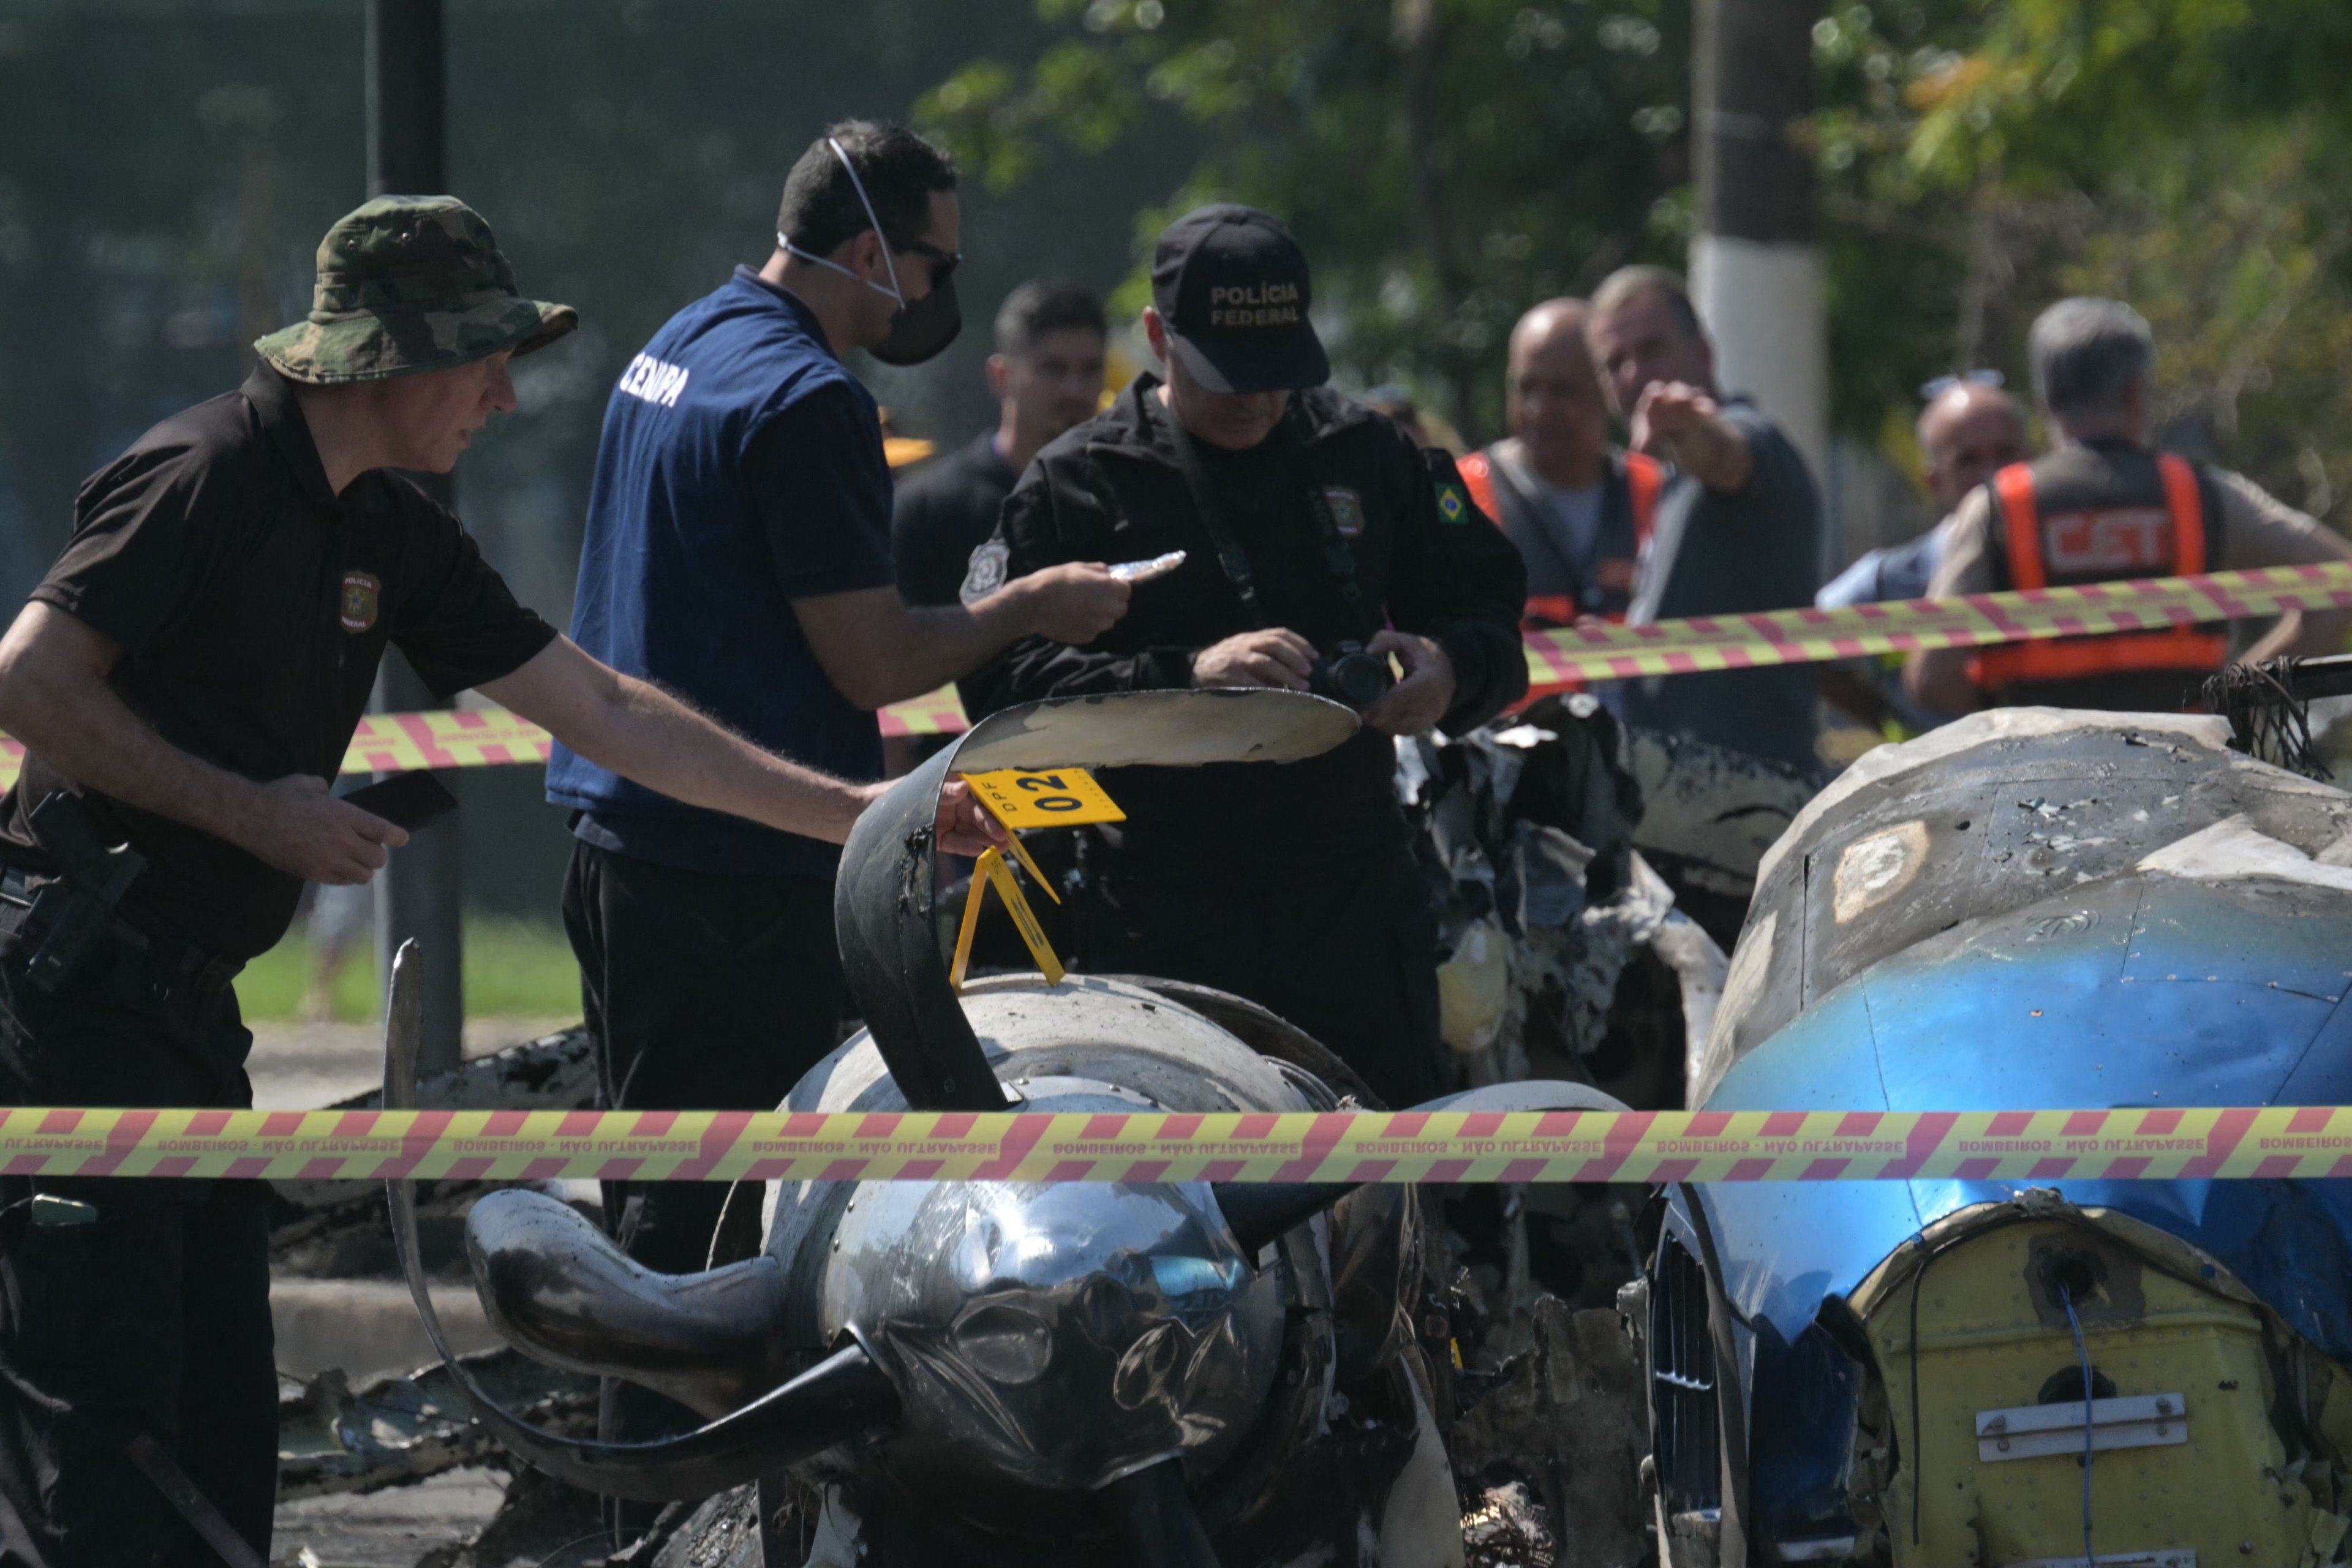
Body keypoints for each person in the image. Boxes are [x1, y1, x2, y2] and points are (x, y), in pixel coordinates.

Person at [0, 195, 996, 1568]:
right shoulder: (203, 472)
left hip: (179, 1010)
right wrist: (259, 814)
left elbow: (608, 711)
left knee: (216, 1427)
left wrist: (873, 816)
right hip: (66, 1008)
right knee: (103, 1446)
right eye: (482, 360)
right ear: (395, 359)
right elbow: (29, 678)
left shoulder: (389, 531)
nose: (504, 393)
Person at [543, 121, 1130, 1482]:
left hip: (623, 849)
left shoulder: (679, 339)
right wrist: (1029, 605)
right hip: (732, 877)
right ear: (872, 253)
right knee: (730, 1243)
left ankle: (656, 1507)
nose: (934, 295)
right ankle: (688, 1514)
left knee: (659, 1223)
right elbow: (870, 656)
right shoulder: (812, 401)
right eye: (933, 265)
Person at [963, 204, 1528, 1109]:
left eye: (1276, 373)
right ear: (1156, 337)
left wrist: (1448, 667)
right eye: (1225, 373)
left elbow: (1493, 609)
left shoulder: (1369, 452)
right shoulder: (1075, 487)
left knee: (1383, 1212)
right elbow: (998, 690)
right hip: (1164, 917)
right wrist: (1187, 678)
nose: (1254, 400)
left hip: (1354, 909)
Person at [1907, 297, 2352, 714]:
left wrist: (2006, 725)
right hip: (2185, 777)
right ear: (2137, 392)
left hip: (2037, 784)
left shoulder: (2000, 505)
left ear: (2045, 399)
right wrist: (2233, 699)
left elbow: (1932, 676)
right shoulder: (2203, 495)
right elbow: (2341, 581)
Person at [1586, 266, 1823, 771]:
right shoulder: (1662, 489)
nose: (1633, 374)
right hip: (1685, 803)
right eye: (1615, 363)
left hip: (1755, 800)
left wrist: (1688, 433)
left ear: (1704, 352)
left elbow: (1726, 458)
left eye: (1652, 349)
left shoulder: (1757, 441)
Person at [891, 280, 1108, 609]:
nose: (1074, 391)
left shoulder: (1120, 502)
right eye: (1053, 369)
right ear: (1001, 376)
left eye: (1090, 370)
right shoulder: (930, 512)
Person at [1461, 298, 1662, 628]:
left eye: (1562, 391)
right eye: (1526, 388)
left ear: (1607, 391)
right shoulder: (1458, 493)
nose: (1538, 410)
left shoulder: (1656, 492)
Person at [1817, 373, 2031, 610]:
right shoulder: (1884, 586)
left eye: (2005, 453)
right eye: (1968, 461)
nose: (1991, 474)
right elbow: (1805, 637)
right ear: (1934, 482)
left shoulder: (2063, 562)